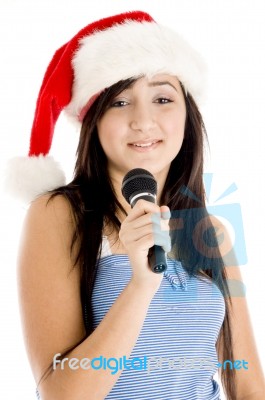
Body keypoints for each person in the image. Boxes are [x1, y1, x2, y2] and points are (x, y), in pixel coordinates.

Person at [9, 10, 265, 400]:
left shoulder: (210, 232)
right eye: (120, 102)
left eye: (163, 98)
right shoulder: (58, 215)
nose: (143, 121)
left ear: (187, 114)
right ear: (94, 120)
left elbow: (246, 383)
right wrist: (141, 286)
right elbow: (62, 395)